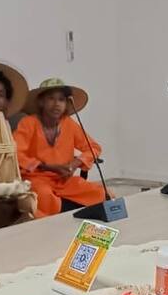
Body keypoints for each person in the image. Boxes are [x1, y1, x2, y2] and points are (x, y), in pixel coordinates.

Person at [14, 78, 105, 218]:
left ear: (67, 103)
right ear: (41, 102)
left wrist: (74, 164)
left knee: (99, 193)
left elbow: (93, 147)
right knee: (43, 197)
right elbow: (16, 154)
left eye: (61, 99)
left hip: (64, 180)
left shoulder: (68, 123)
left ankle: (66, 214)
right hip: (36, 179)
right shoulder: (28, 123)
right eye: (51, 98)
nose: (56, 104)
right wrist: (48, 167)